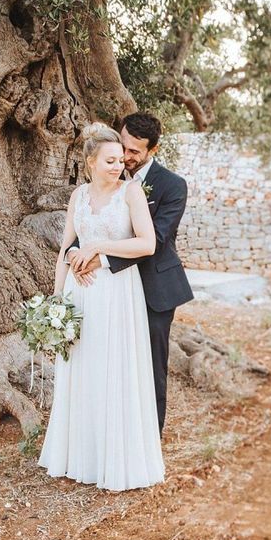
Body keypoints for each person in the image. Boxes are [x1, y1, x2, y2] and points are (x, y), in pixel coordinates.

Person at [37, 122, 164, 491]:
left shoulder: (132, 193)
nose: (118, 165)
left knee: (113, 370)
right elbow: (65, 248)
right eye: (109, 160)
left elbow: (147, 244)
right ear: (90, 162)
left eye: (120, 159)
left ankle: (115, 459)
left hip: (117, 294)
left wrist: (99, 248)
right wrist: (55, 301)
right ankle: (83, 455)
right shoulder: (77, 195)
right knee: (83, 368)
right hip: (81, 296)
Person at [67, 112, 194, 438]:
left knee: (149, 365)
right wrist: (75, 254)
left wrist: (103, 258)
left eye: (134, 151)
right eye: (123, 146)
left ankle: (149, 437)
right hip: (110, 289)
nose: (125, 156)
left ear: (153, 149)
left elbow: (158, 238)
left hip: (154, 287)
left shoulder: (172, 186)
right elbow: (90, 225)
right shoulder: (106, 178)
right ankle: (113, 432)